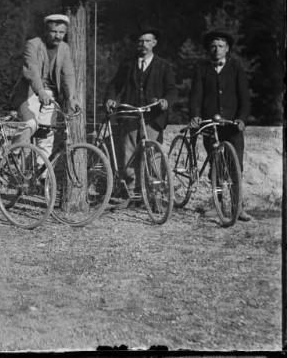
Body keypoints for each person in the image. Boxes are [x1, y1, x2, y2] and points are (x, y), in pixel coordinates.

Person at [105, 27, 177, 198]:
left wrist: (166, 101)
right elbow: (115, 85)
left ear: (154, 43)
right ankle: (131, 194)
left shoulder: (163, 66)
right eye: (140, 41)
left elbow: (172, 90)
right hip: (130, 115)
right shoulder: (128, 64)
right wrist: (111, 98)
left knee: (153, 156)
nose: (143, 44)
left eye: (147, 41)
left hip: (153, 117)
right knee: (128, 155)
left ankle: (155, 196)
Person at [189, 30, 252, 221]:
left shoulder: (236, 68)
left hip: (232, 126)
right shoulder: (201, 69)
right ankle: (217, 205)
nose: (217, 50)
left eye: (221, 46)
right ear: (209, 49)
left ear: (227, 49)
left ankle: (237, 207)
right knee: (215, 167)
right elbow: (195, 97)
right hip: (210, 125)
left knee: (235, 167)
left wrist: (241, 118)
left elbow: (245, 98)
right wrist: (195, 116)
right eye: (213, 46)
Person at [10, 14, 80, 158]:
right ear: (46, 31)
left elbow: (68, 73)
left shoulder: (64, 49)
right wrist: (41, 91)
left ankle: (42, 177)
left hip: (51, 96)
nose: (58, 36)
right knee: (29, 124)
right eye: (54, 32)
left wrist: (71, 97)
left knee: (47, 136)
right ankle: (12, 157)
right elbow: (32, 70)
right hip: (30, 92)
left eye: (61, 33)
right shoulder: (33, 44)